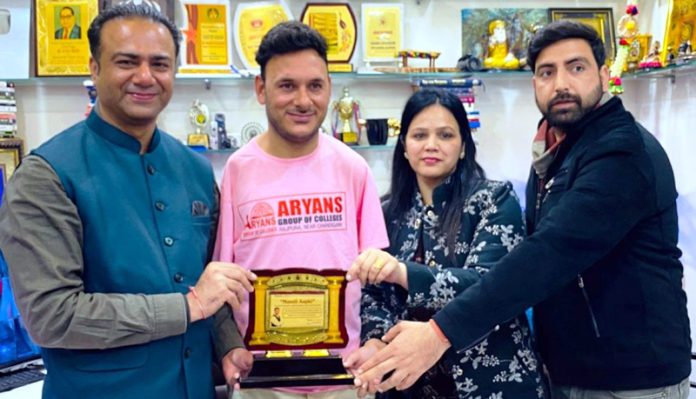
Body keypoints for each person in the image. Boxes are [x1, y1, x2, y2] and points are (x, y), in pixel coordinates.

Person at [352, 20, 691, 399]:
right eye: (547, 72)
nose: (561, 83)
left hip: (632, 377)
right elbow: (377, 293)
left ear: (605, 74)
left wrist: (436, 331)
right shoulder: (552, 153)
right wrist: (376, 339)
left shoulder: (621, 152)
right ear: (534, 84)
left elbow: (548, 254)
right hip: (566, 369)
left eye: (576, 67)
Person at [0, 4, 256, 398]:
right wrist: (186, 307)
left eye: (159, 63)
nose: (145, 77)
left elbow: (209, 281)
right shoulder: (46, 176)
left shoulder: (196, 170)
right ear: (94, 67)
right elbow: (52, 317)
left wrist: (229, 344)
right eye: (126, 62)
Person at [213, 21, 389, 399]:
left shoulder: (353, 168)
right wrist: (228, 346)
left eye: (315, 85)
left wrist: (375, 341)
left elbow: (376, 277)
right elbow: (223, 280)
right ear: (261, 89)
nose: (303, 101)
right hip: (262, 381)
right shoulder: (238, 170)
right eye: (287, 85)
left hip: (344, 379)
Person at [344, 89, 546, 399]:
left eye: (446, 135)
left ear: (464, 146)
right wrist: (375, 341)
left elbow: (490, 283)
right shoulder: (387, 212)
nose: (431, 145)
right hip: (409, 384)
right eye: (419, 135)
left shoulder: (495, 199)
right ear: (404, 146)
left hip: (493, 381)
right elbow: (372, 293)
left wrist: (401, 272)